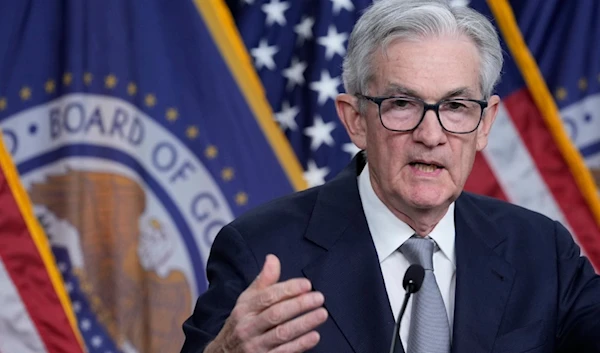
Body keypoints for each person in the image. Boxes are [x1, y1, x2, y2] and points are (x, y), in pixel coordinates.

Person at [181, 0, 600, 352]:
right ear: (355, 120)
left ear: (485, 123)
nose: (431, 135)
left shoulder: (542, 250)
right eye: (402, 103)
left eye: (456, 106)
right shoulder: (262, 250)